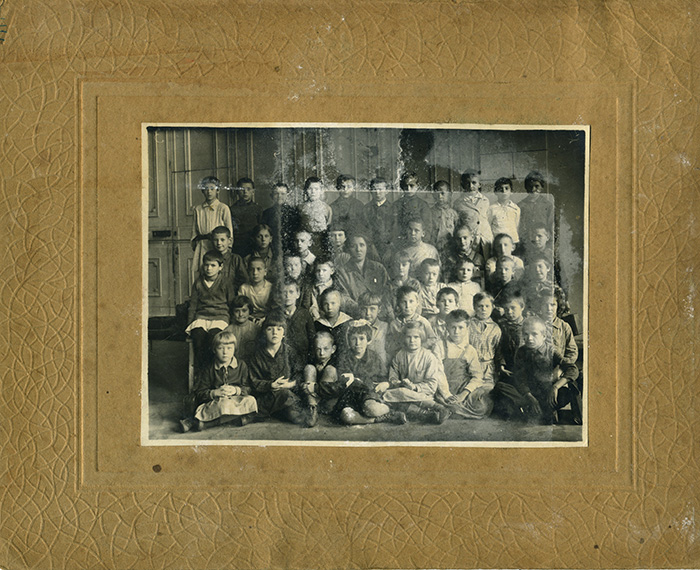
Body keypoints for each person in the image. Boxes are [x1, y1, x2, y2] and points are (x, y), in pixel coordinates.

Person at [492, 316, 578, 424]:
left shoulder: (551, 351)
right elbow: (520, 378)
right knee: (500, 387)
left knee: (568, 392)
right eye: (526, 334)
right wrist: (529, 396)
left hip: (546, 392)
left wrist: (555, 387)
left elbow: (572, 369)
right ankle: (532, 408)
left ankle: (539, 411)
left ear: (544, 336)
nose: (529, 338)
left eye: (534, 334)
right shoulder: (521, 352)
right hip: (527, 392)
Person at [180, 329, 258, 432]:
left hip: (236, 400)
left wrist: (236, 390)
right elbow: (200, 392)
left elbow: (247, 388)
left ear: (234, 349)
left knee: (251, 400)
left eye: (229, 348)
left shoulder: (241, 365)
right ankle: (235, 419)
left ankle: (204, 424)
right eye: (220, 348)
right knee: (223, 404)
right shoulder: (209, 368)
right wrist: (215, 393)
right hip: (219, 401)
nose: (225, 352)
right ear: (214, 350)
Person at [333, 320, 406, 425]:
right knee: (347, 416)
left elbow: (383, 377)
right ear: (348, 340)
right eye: (353, 339)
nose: (358, 343)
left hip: (368, 394)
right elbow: (343, 378)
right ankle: (379, 419)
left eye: (361, 338)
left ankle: (388, 411)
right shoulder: (344, 357)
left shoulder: (374, 357)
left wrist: (385, 383)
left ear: (368, 340)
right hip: (351, 396)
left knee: (371, 409)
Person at [380, 322, 450, 424]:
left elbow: (432, 385)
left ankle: (435, 406)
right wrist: (398, 383)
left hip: (422, 394)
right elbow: (393, 376)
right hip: (402, 393)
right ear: (404, 338)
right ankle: (426, 414)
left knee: (393, 395)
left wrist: (414, 387)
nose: (412, 340)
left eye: (416, 337)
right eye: (409, 337)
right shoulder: (399, 355)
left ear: (422, 338)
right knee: (393, 395)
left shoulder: (429, 357)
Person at [247, 312, 305, 424]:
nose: (275, 332)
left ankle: (262, 414)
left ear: (284, 333)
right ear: (264, 332)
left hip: (287, 394)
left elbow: (299, 374)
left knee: (286, 396)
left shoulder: (290, 352)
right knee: (281, 396)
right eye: (270, 329)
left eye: (279, 329)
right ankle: (273, 411)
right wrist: (270, 385)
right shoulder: (257, 355)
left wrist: (290, 384)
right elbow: (253, 381)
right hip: (267, 396)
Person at [437, 310, 494, 419]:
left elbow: (477, 376)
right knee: (437, 399)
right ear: (447, 327)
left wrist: (463, 394)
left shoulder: (470, 350)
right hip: (444, 388)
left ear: (467, 328)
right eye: (453, 327)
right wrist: (446, 394)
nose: (456, 332)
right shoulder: (439, 346)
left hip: (462, 388)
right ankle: (449, 409)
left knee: (482, 405)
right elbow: (437, 372)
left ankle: (453, 410)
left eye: (460, 327)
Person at [186, 250, 236, 371]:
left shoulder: (226, 282)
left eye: (213, 265)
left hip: (220, 317)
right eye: (206, 265)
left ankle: (212, 371)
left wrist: (232, 324)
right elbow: (193, 305)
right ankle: (201, 372)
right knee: (198, 337)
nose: (209, 268)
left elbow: (232, 304)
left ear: (220, 267)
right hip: (202, 317)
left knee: (213, 339)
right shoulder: (198, 283)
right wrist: (189, 323)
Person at [190, 176, 234, 283]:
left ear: (218, 190)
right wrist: (195, 244)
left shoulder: (223, 208)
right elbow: (194, 230)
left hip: (218, 246)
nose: (209, 192)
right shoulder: (198, 209)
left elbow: (229, 230)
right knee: (204, 273)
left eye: (212, 189)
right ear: (202, 191)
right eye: (206, 189)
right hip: (203, 246)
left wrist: (227, 248)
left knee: (219, 274)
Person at [335, 233, 390, 316]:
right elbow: (343, 297)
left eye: (362, 245)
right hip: (355, 314)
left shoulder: (378, 268)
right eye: (353, 246)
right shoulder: (342, 272)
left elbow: (387, 291)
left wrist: (377, 309)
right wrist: (362, 310)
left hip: (379, 313)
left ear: (367, 247)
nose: (358, 249)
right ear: (348, 249)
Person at [385, 285, 438, 361]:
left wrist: (419, 347)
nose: (407, 306)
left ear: (417, 303)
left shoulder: (422, 321)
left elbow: (433, 338)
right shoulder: (394, 324)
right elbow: (389, 343)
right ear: (398, 304)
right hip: (401, 358)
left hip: (419, 357)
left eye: (411, 301)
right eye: (404, 302)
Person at [301, 331, 339, 427]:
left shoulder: (337, 363)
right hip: (313, 401)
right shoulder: (312, 361)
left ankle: (316, 407)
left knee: (330, 370)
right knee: (309, 368)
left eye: (326, 349)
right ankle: (312, 409)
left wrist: (313, 387)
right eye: (318, 349)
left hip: (329, 403)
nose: (322, 353)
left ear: (333, 349)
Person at [467, 292, 502, 388]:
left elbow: (498, 351)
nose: (484, 309)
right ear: (474, 307)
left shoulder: (496, 328)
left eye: (487, 306)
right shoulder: (468, 325)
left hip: (488, 369)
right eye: (480, 306)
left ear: (492, 307)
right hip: (470, 366)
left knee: (487, 390)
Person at [278, 278, 315, 365]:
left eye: (291, 292)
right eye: (284, 292)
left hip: (302, 359)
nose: (287, 295)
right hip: (281, 359)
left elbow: (312, 338)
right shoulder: (275, 315)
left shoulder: (305, 314)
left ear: (298, 294)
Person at [452, 170, 492, 246]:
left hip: (485, 239)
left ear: (479, 184)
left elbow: (490, 219)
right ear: (462, 185)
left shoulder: (485, 201)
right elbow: (457, 225)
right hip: (469, 241)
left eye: (474, 183)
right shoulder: (458, 203)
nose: (471, 186)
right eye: (467, 183)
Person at [517, 170, 554, 252]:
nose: (533, 189)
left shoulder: (548, 205)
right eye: (530, 186)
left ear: (542, 187)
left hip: (543, 245)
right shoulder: (520, 206)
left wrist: (549, 246)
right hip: (526, 245)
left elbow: (551, 227)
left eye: (537, 186)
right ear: (526, 188)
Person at [261, 182, 300, 255]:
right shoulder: (267, 213)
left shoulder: (294, 212)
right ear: (272, 196)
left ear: (287, 195)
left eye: (283, 194)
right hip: (272, 248)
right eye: (276, 193)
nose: (279, 196)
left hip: (290, 248)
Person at [392, 172, 433, 239]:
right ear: (402, 187)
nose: (408, 189)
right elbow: (393, 227)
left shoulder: (423, 205)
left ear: (417, 186)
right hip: (400, 241)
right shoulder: (396, 204)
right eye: (406, 186)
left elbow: (428, 228)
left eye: (411, 186)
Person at [229, 177, 262, 256]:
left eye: (248, 189)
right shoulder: (231, 209)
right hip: (237, 246)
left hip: (254, 246)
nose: (245, 192)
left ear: (253, 192)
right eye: (242, 189)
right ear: (237, 191)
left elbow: (261, 228)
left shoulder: (257, 209)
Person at [209, 225, 248, 292]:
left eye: (222, 240)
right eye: (216, 240)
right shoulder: (209, 258)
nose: (219, 243)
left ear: (230, 241)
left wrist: (231, 288)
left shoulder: (236, 259)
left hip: (232, 293)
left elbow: (244, 279)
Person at [361, 177, 394, 254]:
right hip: (370, 248)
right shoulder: (366, 209)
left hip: (390, 249)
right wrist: (370, 246)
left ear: (387, 191)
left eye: (380, 189)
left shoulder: (393, 208)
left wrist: (390, 248)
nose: (377, 192)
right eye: (374, 189)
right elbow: (363, 230)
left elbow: (395, 230)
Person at [357, 291, 389, 370]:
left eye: (372, 309)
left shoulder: (385, 327)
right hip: (361, 369)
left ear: (379, 309)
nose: (368, 313)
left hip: (380, 369)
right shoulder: (356, 327)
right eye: (364, 309)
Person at [224, 295, 260, 363]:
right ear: (232, 312)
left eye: (244, 310)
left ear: (249, 311)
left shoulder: (257, 329)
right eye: (237, 311)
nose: (240, 314)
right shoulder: (228, 331)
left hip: (253, 363)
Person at [498, 293, 526, 379]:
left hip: (526, 369)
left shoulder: (529, 325)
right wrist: (501, 365)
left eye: (513, 308)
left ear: (522, 307)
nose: (509, 312)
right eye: (506, 309)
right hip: (507, 368)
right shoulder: (502, 326)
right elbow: (499, 347)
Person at [488, 177, 520, 246]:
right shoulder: (491, 209)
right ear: (495, 192)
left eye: (506, 188)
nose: (503, 191)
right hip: (499, 243)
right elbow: (488, 228)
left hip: (513, 242)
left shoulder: (515, 209)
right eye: (500, 189)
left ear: (511, 191)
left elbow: (516, 226)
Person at [430, 180, 459, 252]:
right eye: (437, 193)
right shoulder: (429, 212)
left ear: (450, 194)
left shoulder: (453, 213)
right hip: (433, 247)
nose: (440, 196)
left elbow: (457, 232)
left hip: (450, 248)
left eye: (443, 193)